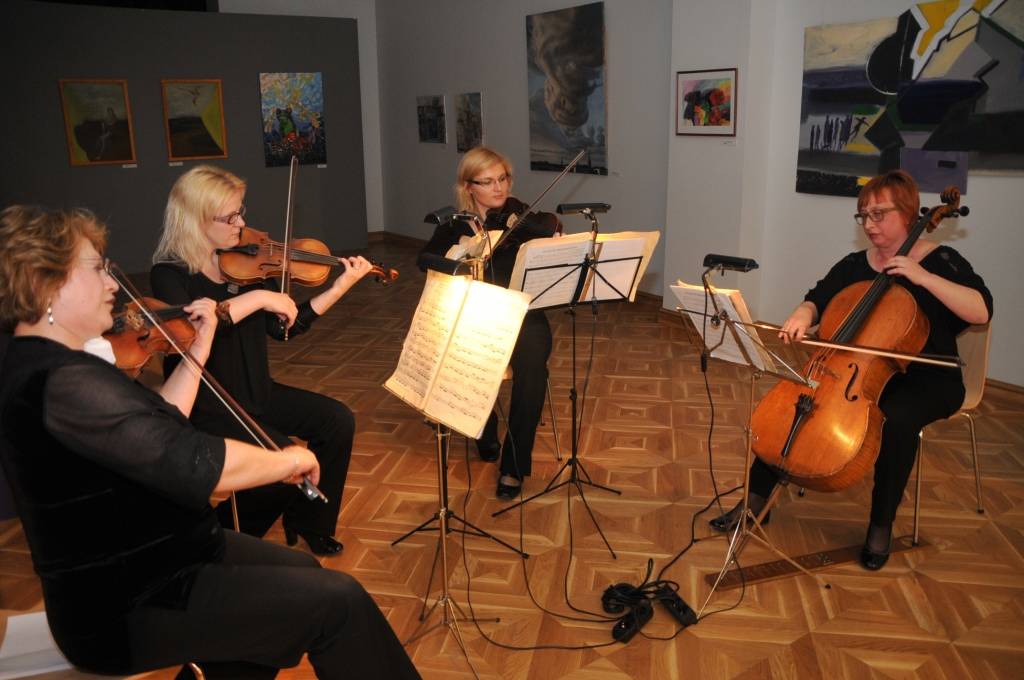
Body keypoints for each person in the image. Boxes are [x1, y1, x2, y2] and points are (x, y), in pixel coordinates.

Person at [0, 205, 420, 678]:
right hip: (126, 601)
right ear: (45, 284)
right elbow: (193, 461)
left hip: (168, 553)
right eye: (97, 269)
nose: (112, 283)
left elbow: (166, 420)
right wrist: (287, 460)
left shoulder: (58, 363)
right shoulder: (59, 380)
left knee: (306, 577)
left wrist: (198, 348)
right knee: (339, 603)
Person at [709, 170, 993, 570]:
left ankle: (881, 524)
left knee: (897, 421)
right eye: (863, 216)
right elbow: (817, 299)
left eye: (879, 214)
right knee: (800, 402)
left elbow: (981, 310)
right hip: (857, 374)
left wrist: (923, 277)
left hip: (927, 378)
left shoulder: (942, 260)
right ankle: (756, 500)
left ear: (909, 213)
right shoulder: (855, 265)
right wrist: (802, 313)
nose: (869, 224)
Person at [151, 165, 374, 554]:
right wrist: (259, 298)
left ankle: (310, 522)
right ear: (195, 218)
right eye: (229, 217)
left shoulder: (249, 261)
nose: (241, 224)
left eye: (241, 212)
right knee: (281, 468)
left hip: (258, 391)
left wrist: (340, 286)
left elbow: (284, 328)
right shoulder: (169, 274)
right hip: (208, 404)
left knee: (337, 420)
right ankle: (218, 541)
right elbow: (192, 329)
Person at [418, 146, 560, 500]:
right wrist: (460, 254)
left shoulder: (517, 214)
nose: (499, 188)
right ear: (469, 187)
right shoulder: (454, 224)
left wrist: (531, 229)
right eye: (488, 181)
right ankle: (484, 430)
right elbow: (425, 259)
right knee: (467, 361)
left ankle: (514, 466)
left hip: (522, 312)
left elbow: (550, 225)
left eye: (503, 179)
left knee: (533, 371)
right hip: (475, 314)